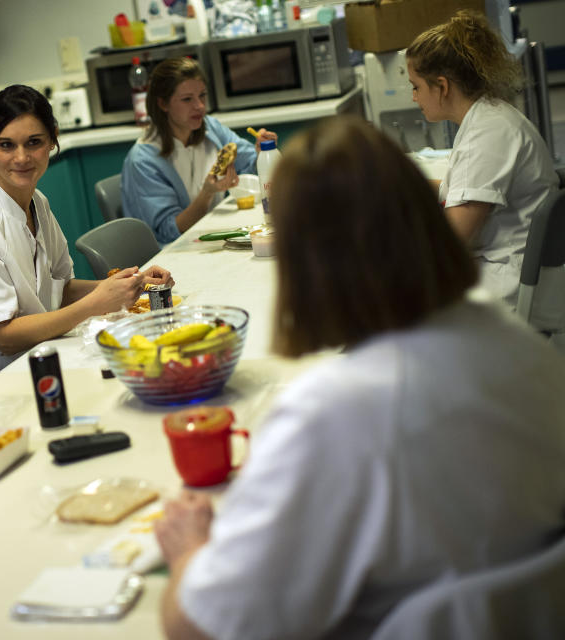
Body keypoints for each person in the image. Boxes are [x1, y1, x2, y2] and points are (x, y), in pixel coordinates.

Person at [154, 116, 565, 640]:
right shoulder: (522, 347)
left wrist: (189, 549)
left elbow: (197, 627)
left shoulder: (332, 411)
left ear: (305, 264)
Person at [0, 85, 173, 387]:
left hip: (42, 354)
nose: (21, 157)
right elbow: (4, 337)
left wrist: (129, 285)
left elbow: (59, 288)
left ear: (53, 139)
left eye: (34, 142)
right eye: (6, 145)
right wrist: (96, 303)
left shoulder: (37, 202)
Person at [406, 10, 559, 312]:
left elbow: (450, 243)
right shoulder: (487, 117)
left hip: (510, 280)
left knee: (395, 296)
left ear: (443, 86)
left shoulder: (487, 135)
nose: (414, 98)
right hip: (507, 262)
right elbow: (463, 189)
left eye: (416, 87)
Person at [121, 57, 277, 245]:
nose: (200, 106)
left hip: (207, 241)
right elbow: (169, 232)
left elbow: (250, 168)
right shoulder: (144, 160)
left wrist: (262, 154)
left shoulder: (210, 128)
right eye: (187, 99)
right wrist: (207, 193)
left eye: (202, 95)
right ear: (163, 104)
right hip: (169, 257)